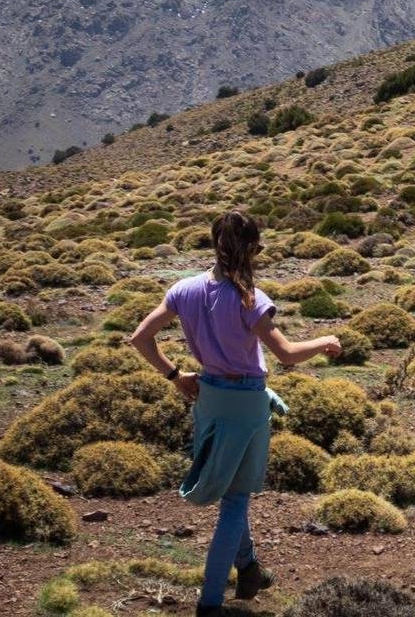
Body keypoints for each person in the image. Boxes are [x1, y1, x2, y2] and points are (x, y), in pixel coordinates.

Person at [129, 210, 342, 616]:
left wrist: (175, 375)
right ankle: (210, 603)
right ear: (249, 249)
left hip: (207, 396)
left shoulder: (184, 290)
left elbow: (140, 338)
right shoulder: (250, 299)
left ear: (214, 245)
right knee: (235, 501)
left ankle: (248, 567)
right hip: (245, 404)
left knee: (229, 487)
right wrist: (326, 340)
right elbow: (286, 355)